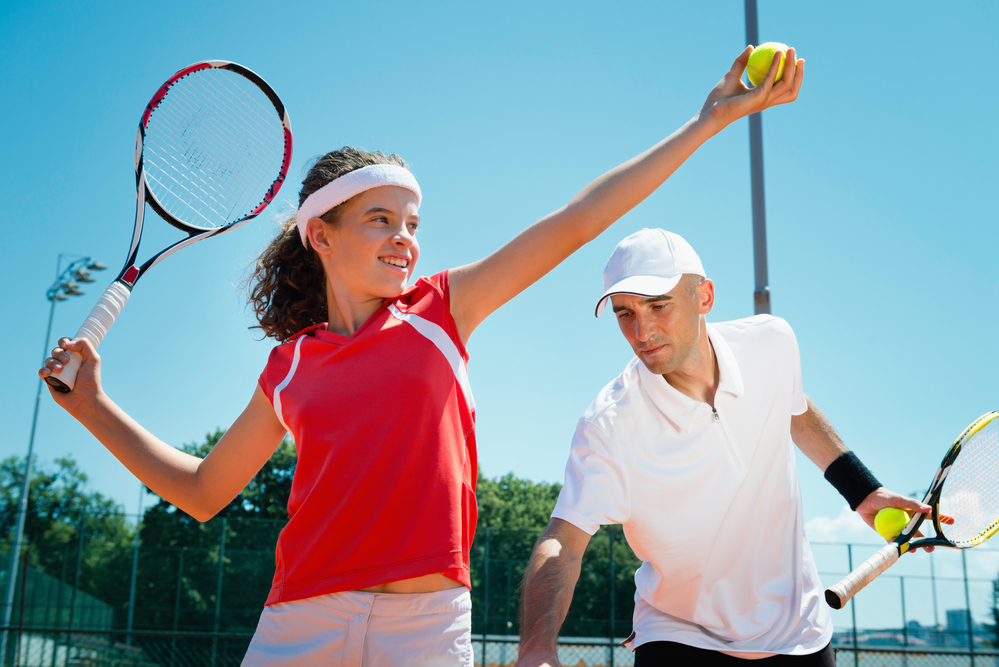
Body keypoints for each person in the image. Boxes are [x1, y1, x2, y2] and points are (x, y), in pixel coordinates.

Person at [39, 47, 803, 667]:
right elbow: (206, 489)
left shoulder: (443, 308)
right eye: (380, 218)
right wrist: (94, 407)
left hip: (427, 625)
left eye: (412, 219)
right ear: (321, 234)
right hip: (299, 617)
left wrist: (704, 123)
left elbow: (575, 220)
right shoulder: (290, 365)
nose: (405, 235)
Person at [516, 229, 934, 666]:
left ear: (704, 296)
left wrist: (862, 489)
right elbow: (563, 541)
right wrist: (537, 648)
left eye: (659, 305)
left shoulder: (771, 343)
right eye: (625, 313)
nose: (642, 330)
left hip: (799, 633)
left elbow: (792, 406)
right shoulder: (608, 425)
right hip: (677, 634)